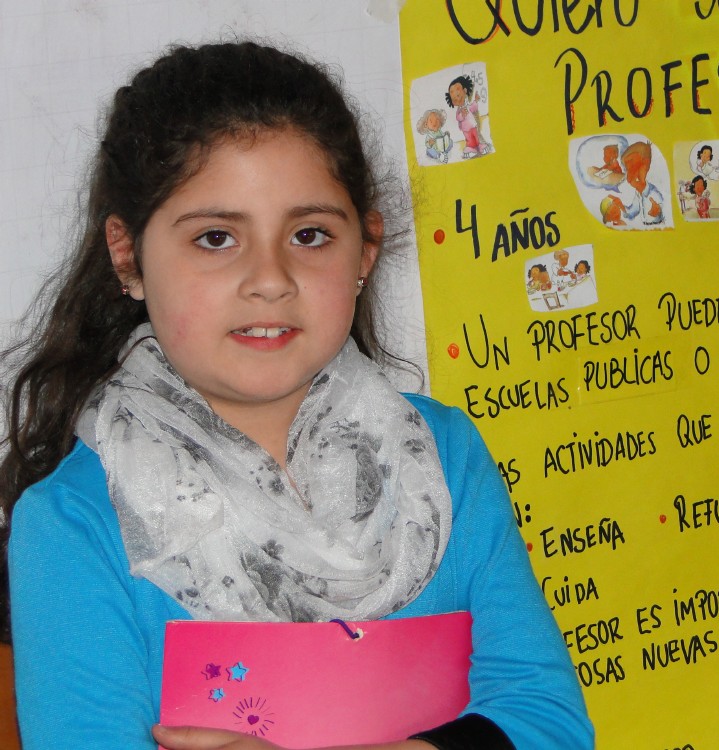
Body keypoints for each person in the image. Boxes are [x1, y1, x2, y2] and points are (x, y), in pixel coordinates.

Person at [0, 42, 593, 750]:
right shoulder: (73, 524)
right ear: (128, 256)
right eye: (215, 238)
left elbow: (550, 721)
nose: (271, 279)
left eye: (309, 235)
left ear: (365, 249)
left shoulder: (446, 458)